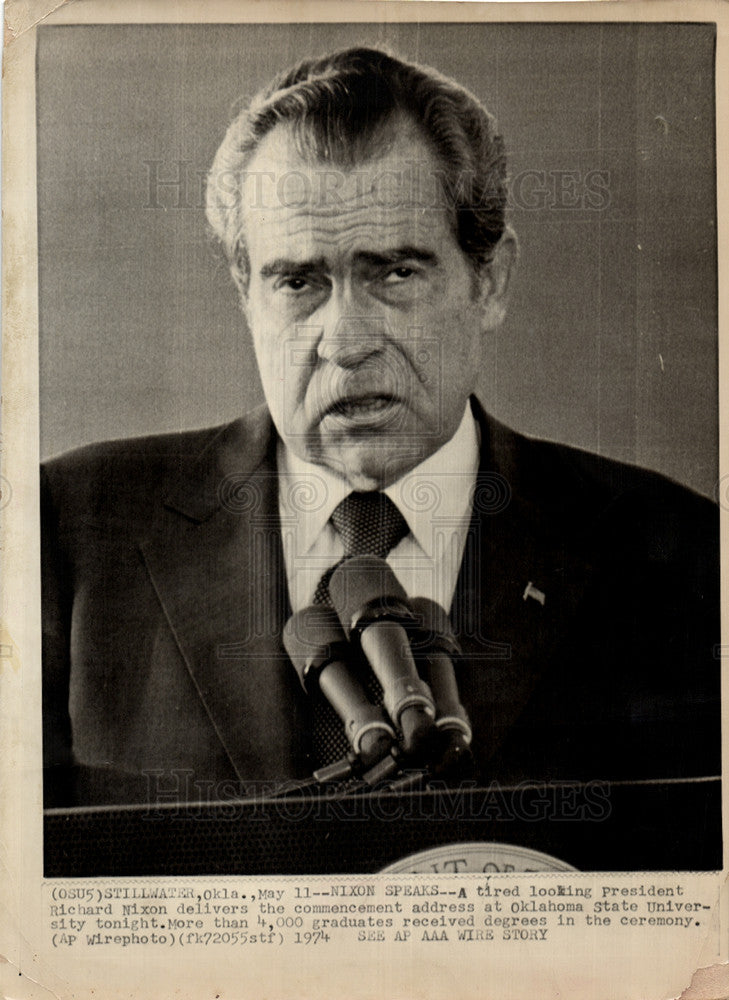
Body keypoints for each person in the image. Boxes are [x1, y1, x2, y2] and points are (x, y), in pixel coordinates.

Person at [41, 46, 720, 810]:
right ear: (245, 296)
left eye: (394, 273)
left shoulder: (682, 559)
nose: (346, 340)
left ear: (489, 283)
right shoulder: (65, 532)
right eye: (298, 282)